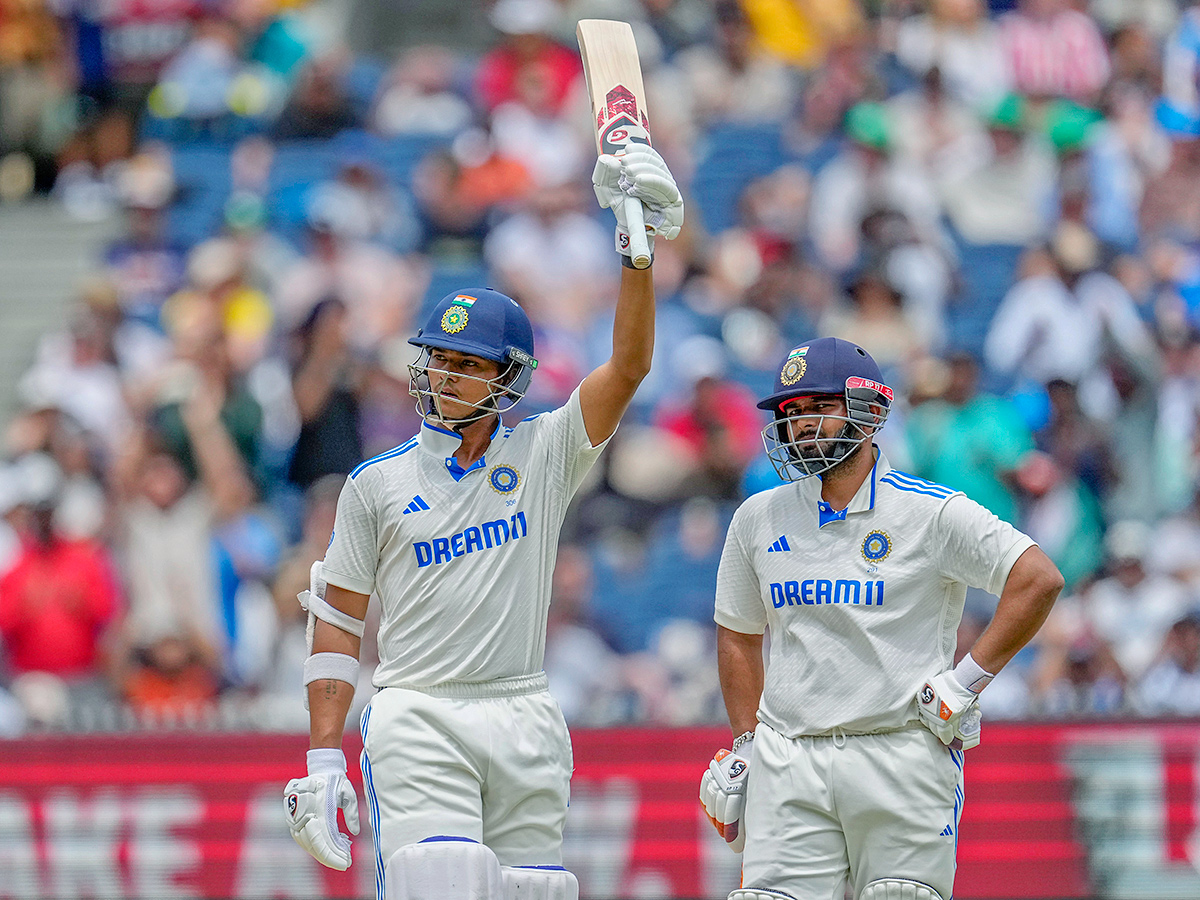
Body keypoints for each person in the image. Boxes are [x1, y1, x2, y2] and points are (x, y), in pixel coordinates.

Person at [282, 146, 683, 900]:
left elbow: (627, 368)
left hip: (524, 707)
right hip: (419, 708)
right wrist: (323, 759)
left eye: (465, 364)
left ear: (508, 380)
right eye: (436, 358)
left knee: (536, 891)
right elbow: (336, 620)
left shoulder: (546, 452)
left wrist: (636, 250)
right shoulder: (376, 484)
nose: (442, 376)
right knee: (444, 881)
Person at [699, 337, 1064, 900]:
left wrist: (964, 682)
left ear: (869, 412)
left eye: (820, 406)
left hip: (901, 753)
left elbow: (1037, 578)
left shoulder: (930, 511)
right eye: (792, 414)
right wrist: (747, 745)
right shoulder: (758, 517)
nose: (802, 426)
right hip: (788, 757)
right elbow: (739, 638)